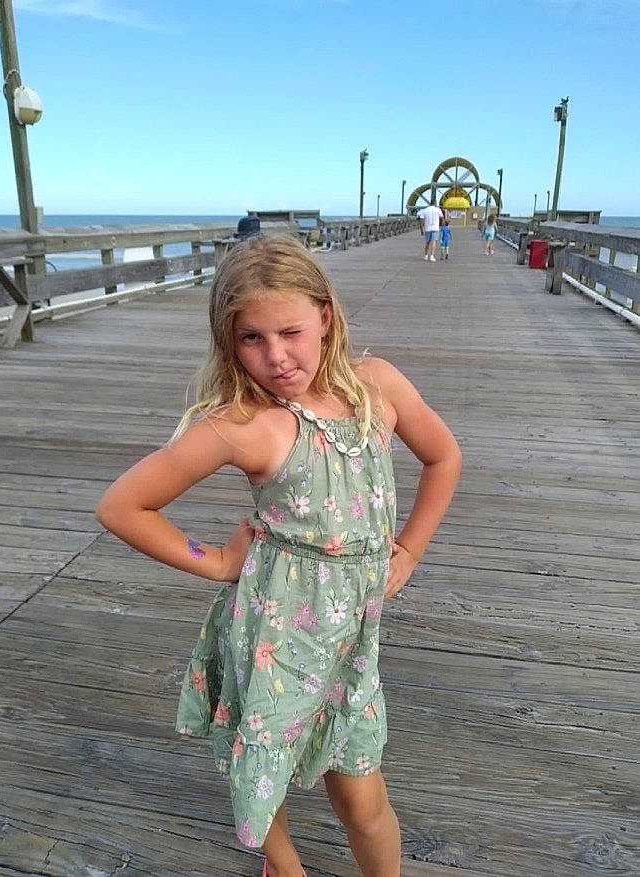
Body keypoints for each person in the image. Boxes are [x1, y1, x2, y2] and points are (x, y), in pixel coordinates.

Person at [96, 235, 462, 877]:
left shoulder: (378, 389)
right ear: (228, 341)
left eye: (290, 331)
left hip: (352, 635)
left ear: (325, 315)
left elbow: (444, 456)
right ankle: (283, 867)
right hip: (275, 630)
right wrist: (213, 561)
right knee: (264, 763)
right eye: (251, 339)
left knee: (361, 795)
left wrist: (408, 549)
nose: (276, 357)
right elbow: (123, 505)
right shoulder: (243, 425)